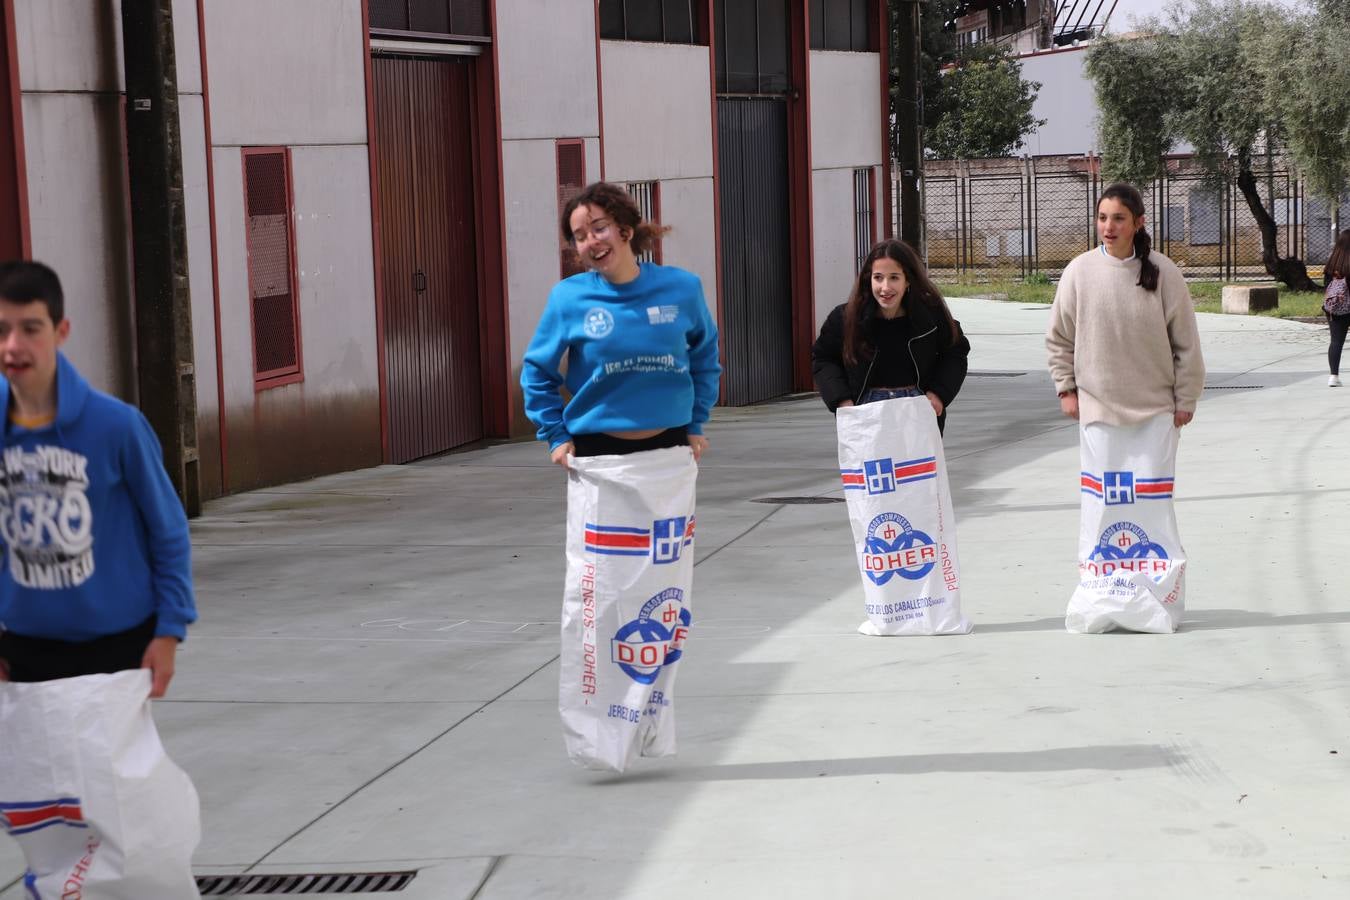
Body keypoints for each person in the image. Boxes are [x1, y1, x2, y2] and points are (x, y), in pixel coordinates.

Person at [0, 260, 196, 698]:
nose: (13, 346)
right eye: (2, 330)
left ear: (61, 331)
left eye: (31, 329)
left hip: (117, 651)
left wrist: (169, 631)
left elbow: (168, 531)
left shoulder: (117, 427)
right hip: (22, 651)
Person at [521, 182, 721, 463]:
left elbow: (705, 358)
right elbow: (537, 371)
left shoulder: (682, 288)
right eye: (580, 237)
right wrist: (556, 435)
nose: (591, 241)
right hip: (594, 457)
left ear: (625, 229)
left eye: (599, 228)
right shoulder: (568, 298)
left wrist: (696, 421)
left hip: (672, 450)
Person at [1046, 183, 1205, 426]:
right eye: (1102, 218)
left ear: (1139, 222)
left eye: (1119, 218)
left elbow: (1187, 343)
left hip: (1158, 413)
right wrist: (1066, 390)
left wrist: (1186, 398)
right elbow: (1059, 338)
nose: (1108, 227)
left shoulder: (1164, 271)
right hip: (1097, 413)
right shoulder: (1078, 271)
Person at [811, 238, 970, 432]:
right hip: (864, 412)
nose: (885, 287)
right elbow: (823, 358)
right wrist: (841, 400)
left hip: (918, 409)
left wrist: (938, 393)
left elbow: (955, 352)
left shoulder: (931, 316)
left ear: (907, 280)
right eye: (878, 277)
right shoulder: (845, 318)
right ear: (868, 279)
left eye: (894, 277)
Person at [1322, 229, 1350, 387]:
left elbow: (1326, 286)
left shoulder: (1332, 263)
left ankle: (1333, 376)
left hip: (1335, 307)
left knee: (1336, 341)